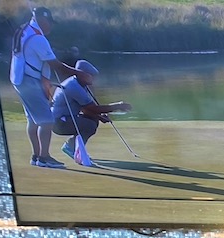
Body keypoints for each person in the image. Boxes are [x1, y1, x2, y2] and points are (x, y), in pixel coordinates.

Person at [9, 7, 76, 168]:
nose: (50, 26)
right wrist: (78, 74)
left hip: (20, 79)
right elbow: (55, 64)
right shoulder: (38, 39)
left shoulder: (24, 29)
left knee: (33, 120)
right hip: (28, 81)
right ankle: (44, 158)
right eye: (49, 22)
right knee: (46, 121)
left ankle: (36, 156)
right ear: (42, 19)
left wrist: (45, 80)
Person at [49, 60, 132, 165]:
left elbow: (86, 109)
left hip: (65, 119)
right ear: (82, 74)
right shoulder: (74, 86)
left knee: (93, 120)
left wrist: (100, 117)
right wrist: (117, 106)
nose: (93, 78)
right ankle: (71, 148)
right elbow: (92, 108)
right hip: (59, 122)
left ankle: (71, 146)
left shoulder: (79, 84)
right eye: (91, 76)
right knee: (89, 125)